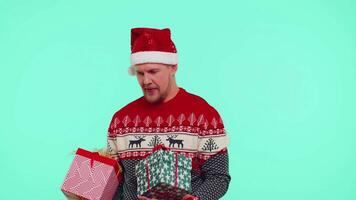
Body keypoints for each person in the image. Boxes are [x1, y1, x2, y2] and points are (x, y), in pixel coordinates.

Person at [107, 27, 231, 200]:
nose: (146, 81)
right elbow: (115, 186)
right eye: (140, 73)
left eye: (153, 71)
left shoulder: (203, 116)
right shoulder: (121, 121)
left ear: (173, 67)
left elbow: (218, 178)